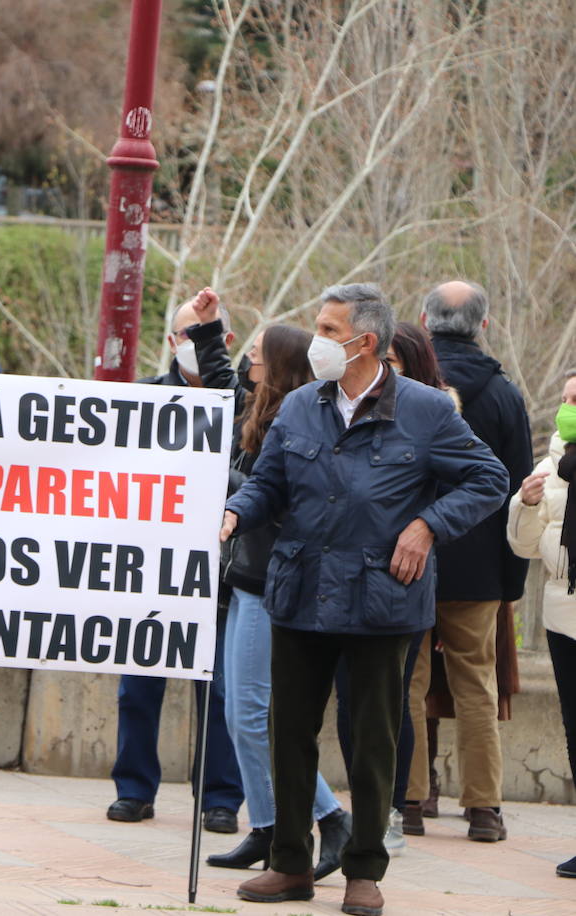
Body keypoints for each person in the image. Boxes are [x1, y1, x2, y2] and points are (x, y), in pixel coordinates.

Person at [222, 283, 507, 915]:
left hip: (383, 601)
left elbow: (490, 478)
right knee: (287, 733)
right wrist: (235, 513)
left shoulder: (428, 411)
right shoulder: (298, 405)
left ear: (364, 342)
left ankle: (364, 870)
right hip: (299, 591)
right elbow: (267, 483)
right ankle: (290, 863)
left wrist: (428, 524)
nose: (316, 338)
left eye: (327, 329)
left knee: (373, 741)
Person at [207, 323, 351, 878]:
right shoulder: (261, 414)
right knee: (240, 711)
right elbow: (224, 384)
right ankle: (267, 827)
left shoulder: (292, 425)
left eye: (257, 355)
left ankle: (330, 816)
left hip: (271, 582)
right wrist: (205, 336)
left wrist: (221, 486)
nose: (248, 361)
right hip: (248, 576)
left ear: (280, 366)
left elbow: (268, 494)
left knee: (253, 714)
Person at [108, 291, 245, 834]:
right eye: (184, 334)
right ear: (170, 342)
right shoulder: (142, 399)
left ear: (223, 342)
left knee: (218, 691)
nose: (190, 344)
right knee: (139, 686)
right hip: (151, 565)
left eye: (201, 335)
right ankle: (134, 789)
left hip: (219, 566)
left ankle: (219, 798)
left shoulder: (245, 405)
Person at [407, 281, 531, 842]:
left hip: (409, 556)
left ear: (424, 323)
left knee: (407, 681)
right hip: (479, 566)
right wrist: (510, 581)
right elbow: (516, 487)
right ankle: (484, 808)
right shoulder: (505, 396)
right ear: (484, 326)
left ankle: (409, 800)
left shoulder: (409, 387)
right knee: (477, 683)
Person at [331, 322, 444, 855]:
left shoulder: (432, 415)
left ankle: (391, 811)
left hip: (399, 585)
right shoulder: (331, 406)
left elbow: (479, 483)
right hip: (336, 585)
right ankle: (359, 811)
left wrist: (424, 528)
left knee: (390, 703)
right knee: (350, 705)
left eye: (396, 363)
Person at [505, 369, 576, 879]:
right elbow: (526, 547)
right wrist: (526, 504)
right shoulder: (553, 465)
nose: (567, 407)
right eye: (567, 397)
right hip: (562, 613)